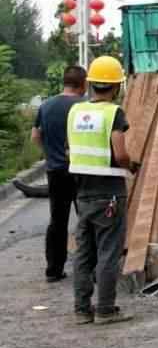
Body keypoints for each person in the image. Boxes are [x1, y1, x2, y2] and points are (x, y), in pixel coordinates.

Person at [67, 56, 135, 325]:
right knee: (108, 251)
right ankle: (105, 309)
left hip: (82, 191)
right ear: (117, 87)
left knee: (84, 252)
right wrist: (132, 166)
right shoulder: (113, 113)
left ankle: (82, 309)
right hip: (109, 191)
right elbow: (120, 153)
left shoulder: (75, 112)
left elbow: (70, 147)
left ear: (92, 84)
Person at [31, 65, 86, 283]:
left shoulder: (46, 106)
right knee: (87, 219)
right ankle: (89, 268)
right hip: (81, 170)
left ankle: (54, 269)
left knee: (58, 221)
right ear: (83, 84)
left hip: (55, 171)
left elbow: (35, 135)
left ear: (64, 82)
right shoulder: (84, 106)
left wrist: (49, 154)